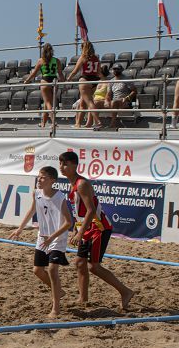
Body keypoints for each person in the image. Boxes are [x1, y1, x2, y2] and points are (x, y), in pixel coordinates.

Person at [58, 151, 134, 310]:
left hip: (99, 228)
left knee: (94, 266)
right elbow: (80, 211)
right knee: (79, 263)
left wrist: (79, 232)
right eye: (60, 163)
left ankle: (125, 291)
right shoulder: (73, 185)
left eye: (65, 164)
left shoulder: (81, 184)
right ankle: (83, 299)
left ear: (74, 165)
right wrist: (76, 229)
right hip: (87, 228)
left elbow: (91, 210)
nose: (61, 167)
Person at [10, 166, 73, 318]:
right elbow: (31, 211)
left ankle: (56, 308)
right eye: (39, 176)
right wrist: (19, 229)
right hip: (43, 237)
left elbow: (68, 222)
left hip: (57, 238)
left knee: (52, 270)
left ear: (52, 180)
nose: (39, 179)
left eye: (43, 177)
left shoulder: (59, 197)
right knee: (37, 270)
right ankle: (58, 291)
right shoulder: (36, 193)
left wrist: (52, 237)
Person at [23, 44, 63, 128]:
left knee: (48, 103)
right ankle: (43, 123)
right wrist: (65, 83)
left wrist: (27, 80)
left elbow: (34, 73)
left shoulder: (41, 61)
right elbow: (60, 74)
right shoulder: (57, 60)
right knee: (47, 103)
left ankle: (53, 122)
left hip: (45, 81)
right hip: (54, 81)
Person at [67, 40, 101, 128]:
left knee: (89, 102)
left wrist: (69, 78)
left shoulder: (83, 57)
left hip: (85, 80)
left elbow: (75, 70)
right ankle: (78, 124)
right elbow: (99, 72)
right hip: (94, 80)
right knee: (82, 103)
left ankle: (97, 121)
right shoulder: (96, 58)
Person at [101, 64, 137, 131]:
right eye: (114, 69)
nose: (116, 70)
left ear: (121, 70)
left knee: (114, 102)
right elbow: (108, 94)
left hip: (125, 101)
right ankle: (97, 123)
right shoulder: (111, 81)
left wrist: (127, 98)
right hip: (114, 101)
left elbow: (134, 91)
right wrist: (106, 100)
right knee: (96, 102)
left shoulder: (126, 80)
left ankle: (112, 124)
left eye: (117, 69)